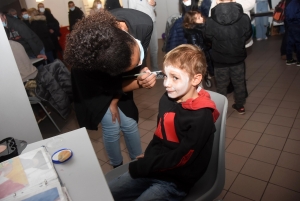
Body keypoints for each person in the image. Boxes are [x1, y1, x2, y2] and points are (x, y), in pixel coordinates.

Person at [109, 44, 220, 201]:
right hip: (156, 166)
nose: (166, 84)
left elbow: (182, 157)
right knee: (107, 192)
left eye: (175, 77)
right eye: (165, 76)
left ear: (196, 79)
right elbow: (160, 134)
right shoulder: (167, 99)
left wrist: (147, 164)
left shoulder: (201, 117)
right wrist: (149, 155)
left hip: (175, 180)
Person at [64, 10, 156, 168]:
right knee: (112, 126)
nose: (139, 60)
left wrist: (141, 72)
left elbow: (138, 66)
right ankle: (117, 167)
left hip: (114, 78)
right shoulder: (89, 61)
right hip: (94, 87)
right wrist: (112, 101)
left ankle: (138, 162)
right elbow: (110, 83)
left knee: (129, 122)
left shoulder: (144, 24)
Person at [205, 0, 252, 114]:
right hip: (238, 57)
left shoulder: (211, 20)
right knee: (239, 83)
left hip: (219, 59)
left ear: (217, 1)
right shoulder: (244, 17)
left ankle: (221, 108)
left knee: (221, 85)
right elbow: (248, 34)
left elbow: (207, 37)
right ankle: (240, 106)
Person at [128, 0, 159, 71]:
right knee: (143, 50)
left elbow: (154, 8)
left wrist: (154, 4)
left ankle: (155, 70)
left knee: (154, 48)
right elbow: (132, 11)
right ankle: (144, 70)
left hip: (153, 22)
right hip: (142, 25)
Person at [183, 10, 214, 76]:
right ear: (192, 21)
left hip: (206, 51)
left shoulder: (202, 27)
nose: (202, 18)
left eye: (201, 16)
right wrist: (208, 46)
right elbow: (196, 47)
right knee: (205, 65)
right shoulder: (192, 33)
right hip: (202, 53)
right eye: (199, 18)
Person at [285, 0, 300, 66]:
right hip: (296, 24)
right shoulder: (295, 3)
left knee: (290, 42)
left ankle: (289, 59)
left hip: (291, 25)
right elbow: (291, 15)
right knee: (298, 43)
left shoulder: (291, 3)